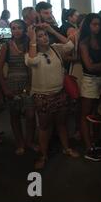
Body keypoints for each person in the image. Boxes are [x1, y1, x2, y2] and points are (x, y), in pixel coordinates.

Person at [25, 24, 79, 169]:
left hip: (59, 92)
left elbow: (69, 45)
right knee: (44, 127)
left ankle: (66, 148)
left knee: (61, 123)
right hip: (42, 96)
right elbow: (32, 61)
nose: (44, 38)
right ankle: (43, 155)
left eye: (45, 35)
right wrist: (32, 39)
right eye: (40, 36)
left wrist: (51, 30)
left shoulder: (55, 48)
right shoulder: (31, 53)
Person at [0, 20, 38, 155]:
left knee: (31, 115)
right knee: (15, 115)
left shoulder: (28, 44)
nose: (16, 31)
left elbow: (33, 65)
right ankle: (20, 143)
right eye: (13, 28)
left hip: (29, 83)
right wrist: (5, 89)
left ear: (24, 29)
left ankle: (29, 141)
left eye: (19, 28)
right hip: (12, 84)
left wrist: (31, 84)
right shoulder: (6, 46)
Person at [79, 14, 101, 161]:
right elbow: (89, 67)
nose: (96, 27)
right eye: (93, 24)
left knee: (100, 112)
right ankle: (88, 147)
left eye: (98, 24)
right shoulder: (84, 42)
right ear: (88, 25)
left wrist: (100, 65)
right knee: (85, 114)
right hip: (90, 79)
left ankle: (96, 141)